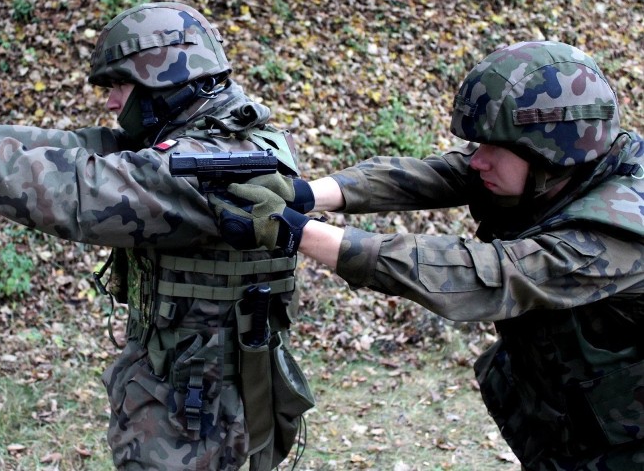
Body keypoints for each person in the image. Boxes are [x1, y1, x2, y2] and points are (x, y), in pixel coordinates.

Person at [0, 2, 314, 470]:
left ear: (166, 75)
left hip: (204, 411)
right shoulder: (203, 133)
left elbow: (82, 189)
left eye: (119, 86)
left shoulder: (219, 161)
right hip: (191, 390)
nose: (112, 103)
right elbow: (70, 148)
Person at [209, 41, 644, 470]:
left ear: (554, 152)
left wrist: (294, 231)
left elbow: (489, 276)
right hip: (577, 421)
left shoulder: (621, 231)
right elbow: (438, 174)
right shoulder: (572, 169)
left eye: (495, 148)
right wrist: (302, 194)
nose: (478, 161)